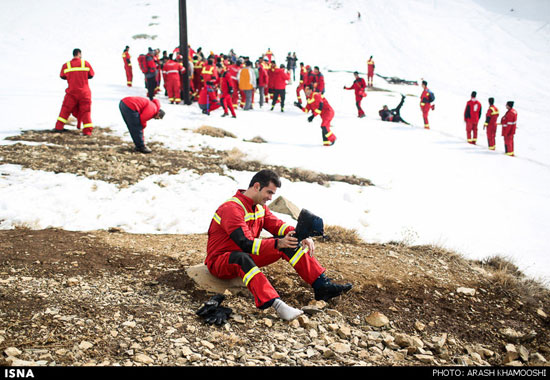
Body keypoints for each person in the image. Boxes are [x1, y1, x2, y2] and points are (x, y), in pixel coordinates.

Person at [205, 169, 352, 321]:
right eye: (269, 192)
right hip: (221, 261)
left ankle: (322, 286)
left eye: (272, 194)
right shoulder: (231, 209)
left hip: (245, 254)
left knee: (289, 241)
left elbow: (277, 226)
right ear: (256, 186)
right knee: (245, 256)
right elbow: (245, 243)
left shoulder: (259, 206)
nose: (270, 198)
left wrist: (300, 235)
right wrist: (277, 243)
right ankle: (277, 305)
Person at [54, 48, 95, 135]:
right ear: (79, 54)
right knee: (86, 111)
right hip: (85, 93)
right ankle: (87, 131)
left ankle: (58, 127)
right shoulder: (85, 63)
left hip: (71, 92)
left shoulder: (66, 65)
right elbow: (91, 75)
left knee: (65, 109)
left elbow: (62, 76)